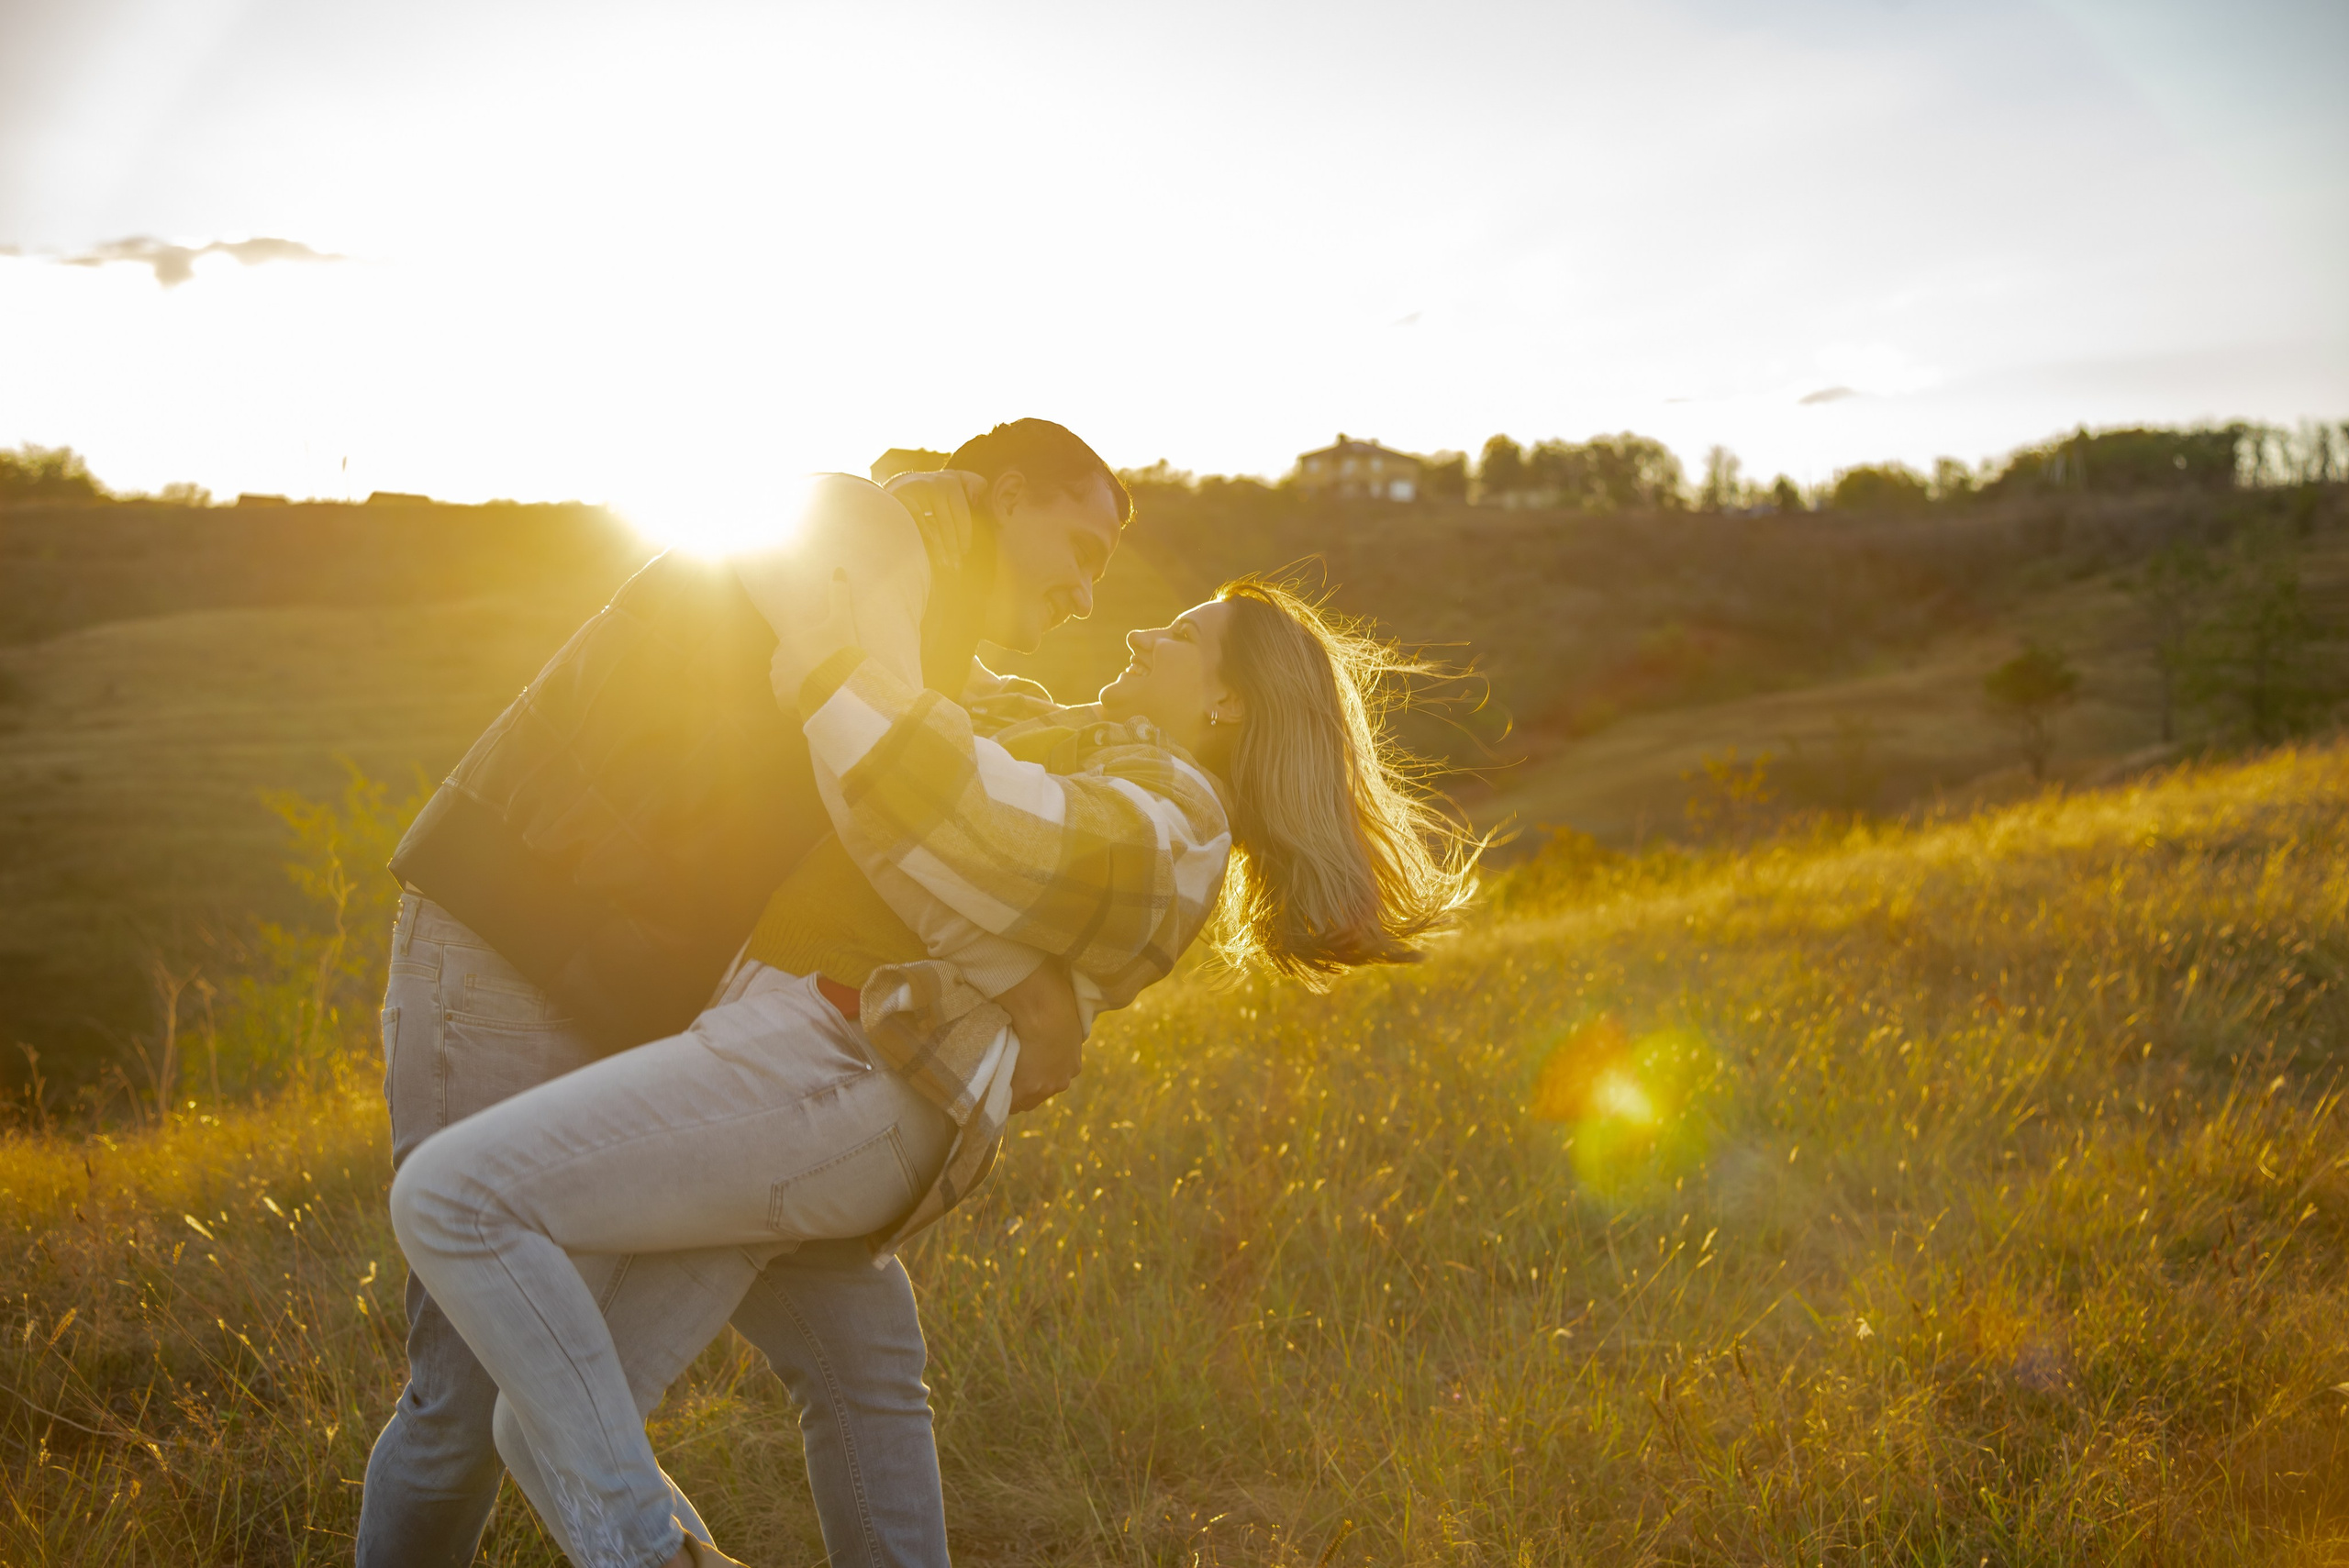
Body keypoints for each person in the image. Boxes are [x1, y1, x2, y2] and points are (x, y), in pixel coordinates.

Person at [388, 573, 1481, 1567]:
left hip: (833, 1067)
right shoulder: (1091, 743)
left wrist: (828, 672)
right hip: (805, 1073)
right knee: (566, 1414)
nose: (1143, 625)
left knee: (453, 1196)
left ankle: (636, 1549)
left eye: (1185, 632)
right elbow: (959, 702)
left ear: (1230, 702)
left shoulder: (1179, 810)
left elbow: (996, 832)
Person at [357, 419, 1129, 1568]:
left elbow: (963, 755)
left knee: (859, 1342)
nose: (1083, 592)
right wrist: (1031, 991)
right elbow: (887, 788)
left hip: (670, 1002)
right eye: (1082, 548)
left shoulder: (924, 630)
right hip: (513, 942)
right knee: (464, 1401)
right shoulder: (864, 525)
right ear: (1005, 494)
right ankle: (647, 1546)